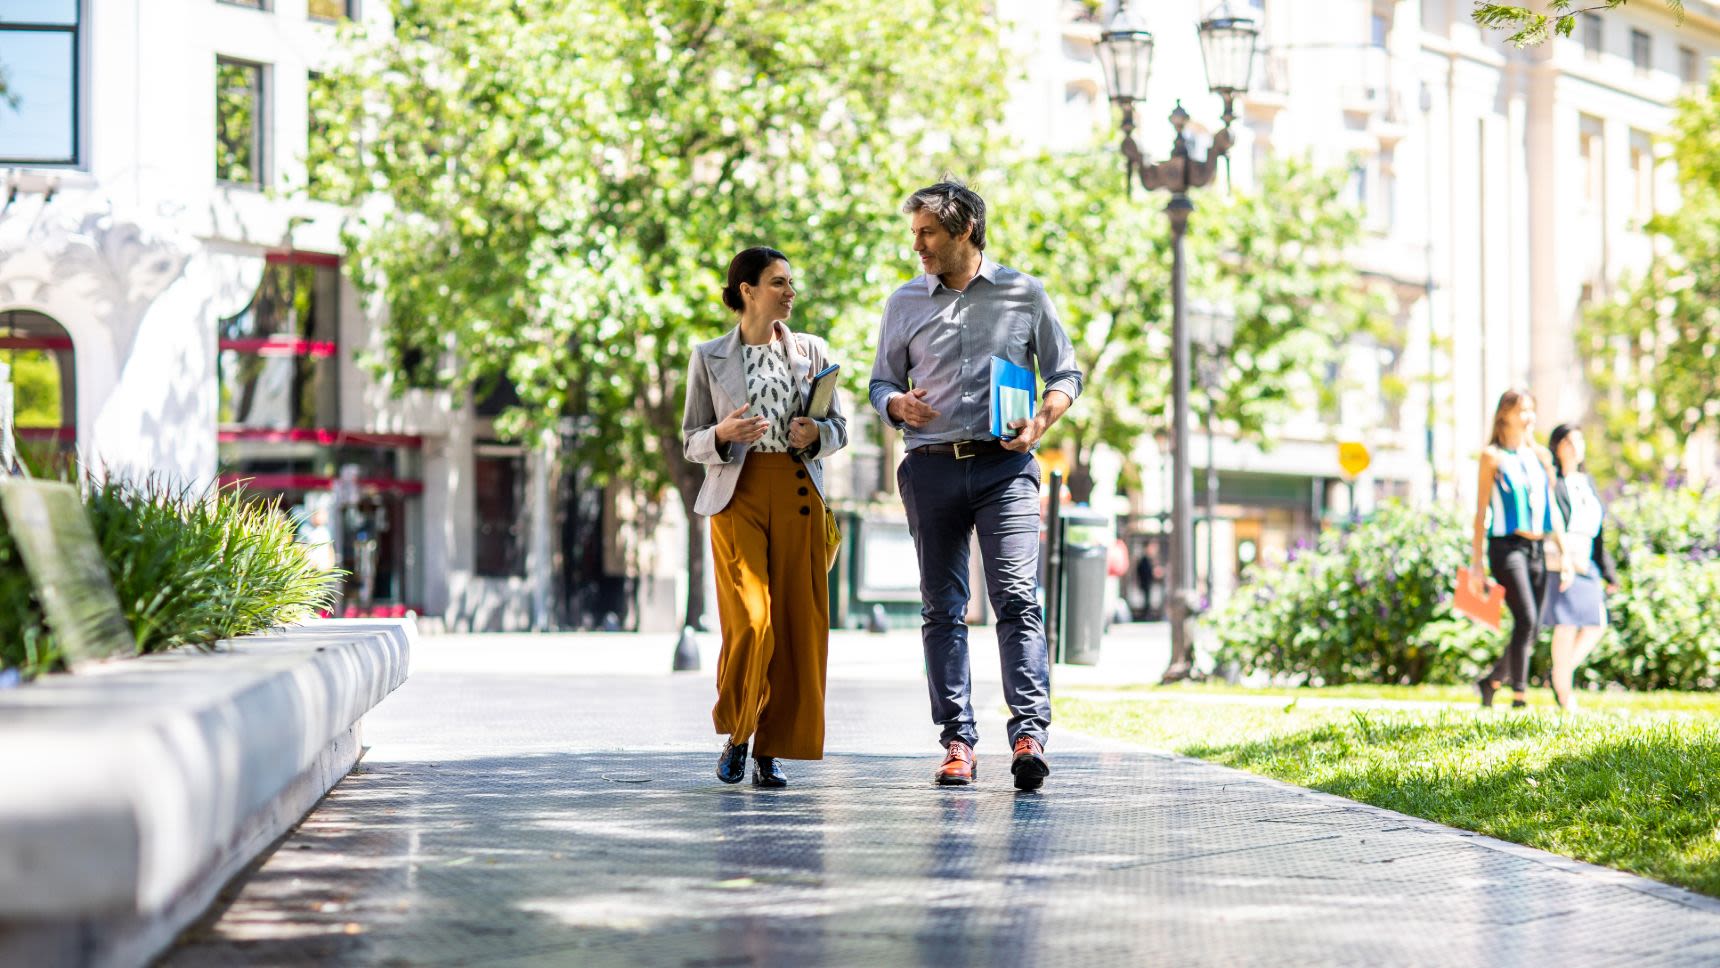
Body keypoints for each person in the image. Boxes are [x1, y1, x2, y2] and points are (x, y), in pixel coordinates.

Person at [869, 181, 1083, 790]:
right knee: (943, 608)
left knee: (1017, 596)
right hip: (931, 466)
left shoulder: (1023, 292)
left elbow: (1065, 371)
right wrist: (896, 407)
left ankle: (1029, 736)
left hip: (1004, 468)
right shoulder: (904, 302)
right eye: (914, 233)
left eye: (927, 232)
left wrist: (1041, 419)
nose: (917, 245)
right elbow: (880, 382)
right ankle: (958, 741)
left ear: (965, 231)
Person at [682, 246, 848, 788]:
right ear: (747, 290)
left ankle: (769, 750)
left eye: (791, 282)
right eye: (779, 282)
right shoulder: (708, 356)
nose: (790, 291)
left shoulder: (813, 350)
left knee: (798, 629)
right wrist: (721, 436)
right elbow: (690, 440)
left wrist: (817, 435)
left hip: (800, 495)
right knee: (752, 622)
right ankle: (738, 732)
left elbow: (839, 429)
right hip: (737, 497)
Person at [1469, 388, 1574, 708]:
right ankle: (1519, 697)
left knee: (1534, 624)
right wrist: (1477, 564)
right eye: (1521, 411)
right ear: (1505, 415)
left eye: (1531, 410)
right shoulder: (1493, 456)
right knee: (1526, 618)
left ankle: (1491, 682)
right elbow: (1481, 510)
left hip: (1537, 547)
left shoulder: (1540, 457)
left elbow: (1552, 511)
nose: (1528, 417)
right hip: (1506, 546)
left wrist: (1565, 553)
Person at [1541, 423, 1619, 712]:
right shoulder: (1553, 481)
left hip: (1588, 560)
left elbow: (1598, 533)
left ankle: (1560, 675)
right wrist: (1563, 558)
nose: (1576, 447)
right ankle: (1565, 695)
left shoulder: (1587, 482)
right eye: (1569, 442)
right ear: (1557, 446)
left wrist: (1608, 572)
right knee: (1566, 625)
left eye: (1579, 441)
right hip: (1563, 559)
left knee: (1596, 623)